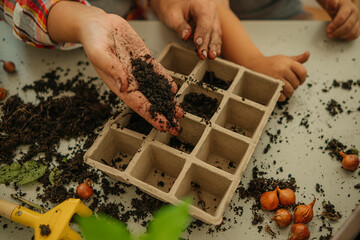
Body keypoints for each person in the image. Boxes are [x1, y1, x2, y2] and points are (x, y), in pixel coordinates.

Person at [0, 0, 222, 135]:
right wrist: (85, 22)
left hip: (133, 27)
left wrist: (167, 4)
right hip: (46, 46)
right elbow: (21, 6)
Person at [227, 0, 360, 41]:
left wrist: (337, 5)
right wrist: (255, 61)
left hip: (291, 16)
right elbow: (219, 8)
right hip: (230, 24)